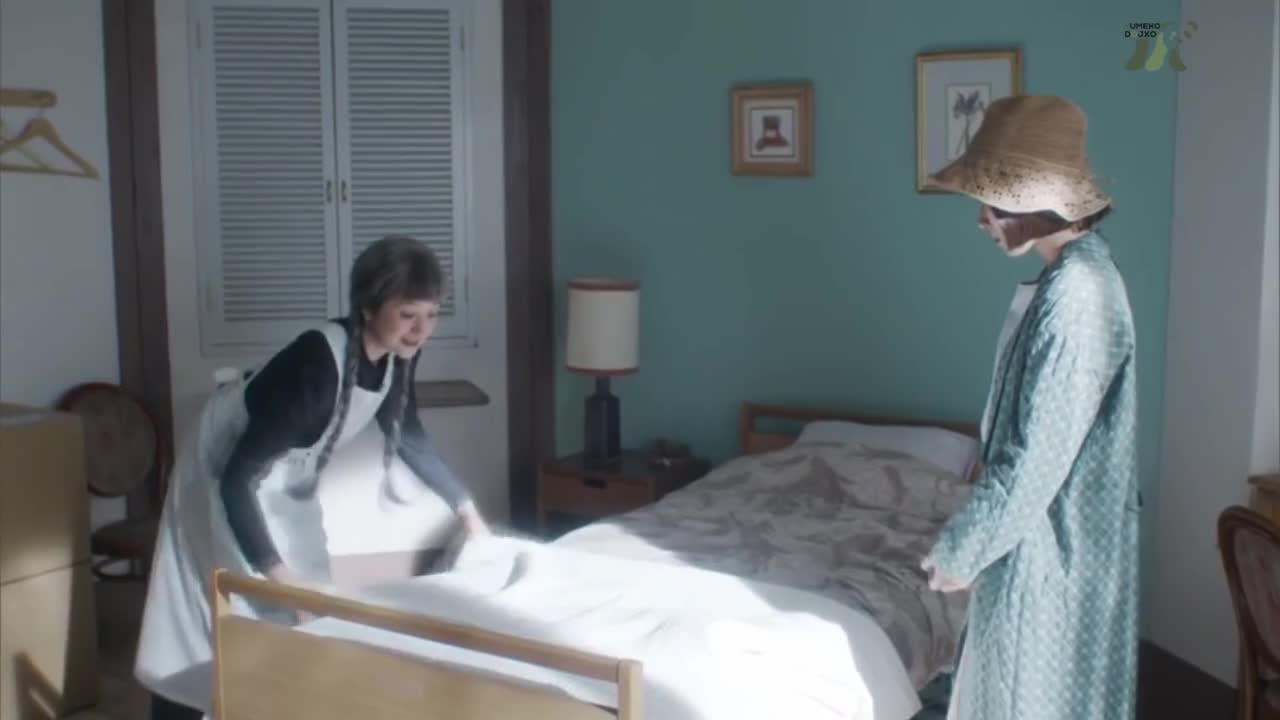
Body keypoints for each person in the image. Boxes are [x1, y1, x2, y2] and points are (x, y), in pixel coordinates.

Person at [135, 235, 491, 719]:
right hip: (221, 475)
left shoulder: (396, 354)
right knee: (210, 614)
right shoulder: (316, 366)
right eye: (408, 314)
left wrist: (468, 513)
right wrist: (281, 580)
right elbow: (237, 482)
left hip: (283, 480)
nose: (421, 330)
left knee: (309, 608)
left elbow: (409, 437)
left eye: (431, 315)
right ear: (368, 307)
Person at [919, 95, 1140, 720]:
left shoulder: (1078, 292)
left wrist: (963, 549)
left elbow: (1037, 454)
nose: (981, 220)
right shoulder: (1073, 277)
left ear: (1031, 200)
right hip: (1046, 541)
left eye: (990, 202)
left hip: (1052, 549)